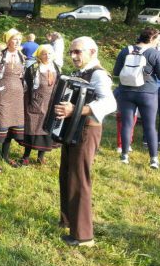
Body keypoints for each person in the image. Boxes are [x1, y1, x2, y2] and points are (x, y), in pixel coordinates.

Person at [55, 36, 116, 247]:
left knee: (80, 178)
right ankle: (68, 220)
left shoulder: (99, 74)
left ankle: (83, 236)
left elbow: (109, 103)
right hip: (73, 130)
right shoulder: (80, 73)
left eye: (78, 52)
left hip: (87, 130)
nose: (73, 56)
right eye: (71, 52)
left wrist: (76, 110)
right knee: (66, 174)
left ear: (92, 52)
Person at [113, 27, 160, 169]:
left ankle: (125, 156)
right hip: (148, 93)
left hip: (126, 92)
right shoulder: (154, 53)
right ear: (151, 39)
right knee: (150, 126)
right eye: (157, 39)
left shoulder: (125, 50)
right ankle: (153, 160)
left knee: (127, 124)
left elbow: (116, 71)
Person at [0, 28, 26, 170]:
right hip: (1, 94)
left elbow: (24, 77)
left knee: (11, 126)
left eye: (19, 40)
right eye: (14, 39)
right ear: (8, 40)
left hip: (16, 96)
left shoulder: (22, 57)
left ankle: (5, 156)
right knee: (0, 125)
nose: (17, 42)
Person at [21, 44, 61, 165]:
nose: (47, 56)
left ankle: (40, 156)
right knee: (32, 126)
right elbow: (26, 85)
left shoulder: (56, 68)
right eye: (44, 53)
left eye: (49, 53)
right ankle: (26, 155)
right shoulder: (34, 68)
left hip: (51, 102)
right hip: (36, 101)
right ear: (39, 55)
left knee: (46, 126)